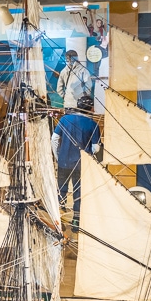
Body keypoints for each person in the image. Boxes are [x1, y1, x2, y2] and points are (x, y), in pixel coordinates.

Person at [51, 95, 100, 231]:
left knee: (61, 190)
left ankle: (59, 220)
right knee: (79, 192)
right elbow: (96, 148)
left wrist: (58, 156)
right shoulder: (93, 124)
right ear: (90, 108)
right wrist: (88, 154)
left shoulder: (65, 119)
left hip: (63, 162)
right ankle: (75, 222)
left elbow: (54, 139)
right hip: (81, 164)